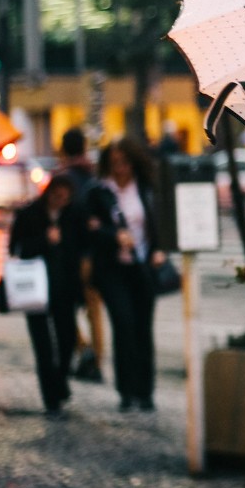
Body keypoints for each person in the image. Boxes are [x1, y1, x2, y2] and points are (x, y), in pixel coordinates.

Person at [85, 137, 166, 412]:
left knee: (143, 328)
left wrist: (158, 249)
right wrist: (113, 236)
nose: (120, 168)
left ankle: (145, 392)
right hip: (113, 270)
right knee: (123, 325)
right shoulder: (100, 192)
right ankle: (126, 391)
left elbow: (157, 223)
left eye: (125, 162)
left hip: (142, 267)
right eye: (115, 163)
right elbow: (90, 230)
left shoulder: (144, 188)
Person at [7, 174, 87, 418]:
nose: (61, 201)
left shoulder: (73, 216)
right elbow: (16, 248)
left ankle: (60, 382)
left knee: (66, 342)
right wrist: (44, 240)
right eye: (57, 195)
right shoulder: (29, 214)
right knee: (43, 347)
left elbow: (80, 249)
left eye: (66, 197)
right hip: (35, 290)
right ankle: (51, 399)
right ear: (49, 193)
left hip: (65, 289)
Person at [57, 127, 105, 383]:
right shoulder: (93, 176)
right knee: (93, 308)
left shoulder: (62, 180)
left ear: (64, 149)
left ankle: (83, 349)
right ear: (84, 148)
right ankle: (96, 361)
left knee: (63, 306)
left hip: (71, 254)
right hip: (94, 253)